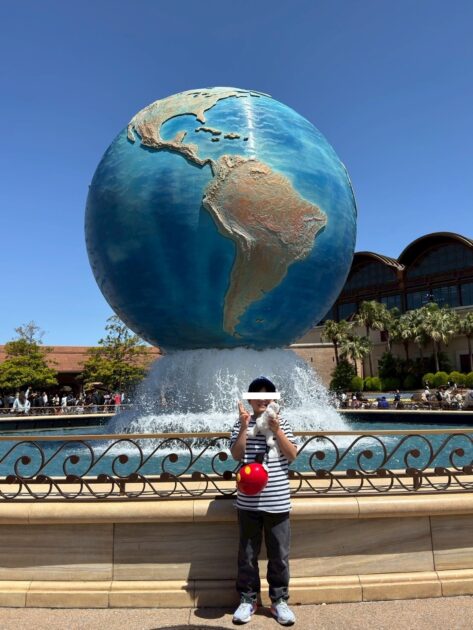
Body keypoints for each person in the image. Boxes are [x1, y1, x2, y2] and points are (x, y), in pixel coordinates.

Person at [230, 376, 297, 626]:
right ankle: (248, 600)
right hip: (248, 502)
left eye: (268, 395)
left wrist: (277, 430)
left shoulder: (283, 423)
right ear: (250, 400)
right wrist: (243, 427)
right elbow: (236, 454)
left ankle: (279, 601)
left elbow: (292, 455)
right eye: (257, 395)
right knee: (247, 555)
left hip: (277, 501)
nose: (263, 399)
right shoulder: (242, 423)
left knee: (279, 556)